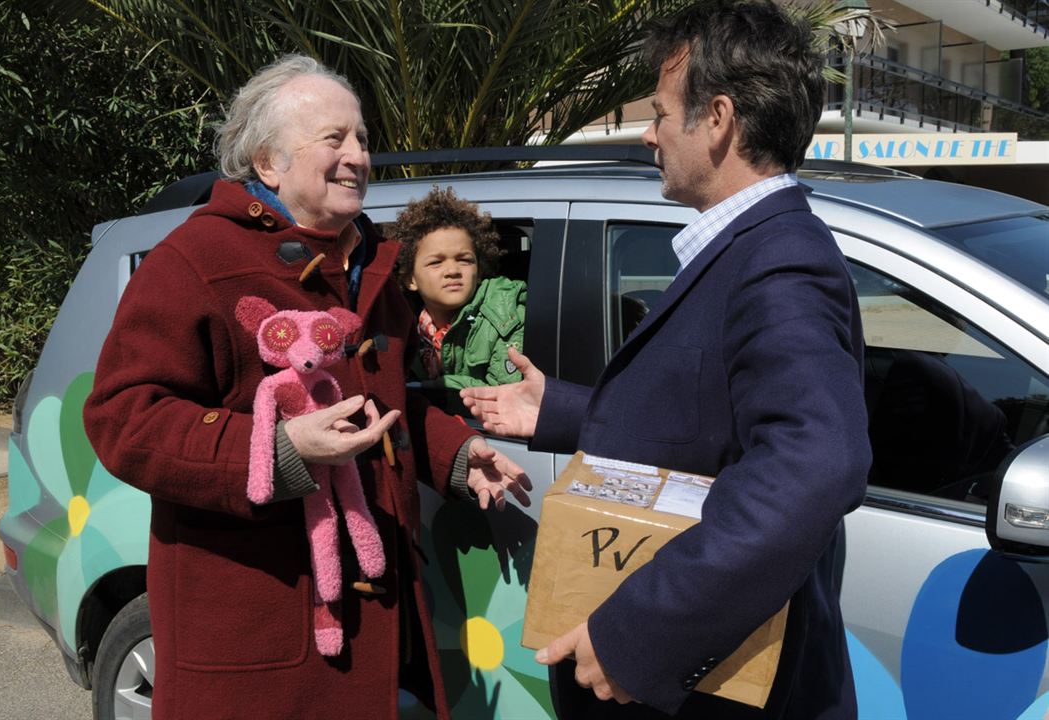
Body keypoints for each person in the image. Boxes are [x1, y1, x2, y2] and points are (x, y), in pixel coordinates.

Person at [83, 55, 530, 720]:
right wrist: (279, 447)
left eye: (362, 139)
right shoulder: (193, 261)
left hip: (375, 624)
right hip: (258, 635)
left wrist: (456, 455)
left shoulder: (374, 261)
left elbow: (383, 403)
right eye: (334, 139)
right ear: (268, 162)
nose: (358, 156)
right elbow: (123, 419)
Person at [461, 1, 871, 718]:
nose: (647, 134)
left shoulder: (778, 262)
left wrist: (639, 633)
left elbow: (814, 463)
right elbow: (711, 421)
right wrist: (564, 409)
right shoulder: (751, 249)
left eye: (658, 112)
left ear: (716, 120)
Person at [393, 185, 526, 390]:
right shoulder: (401, 327)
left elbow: (502, 395)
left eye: (464, 260)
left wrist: (427, 388)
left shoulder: (506, 314)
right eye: (436, 262)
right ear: (410, 279)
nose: (452, 271)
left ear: (479, 269)